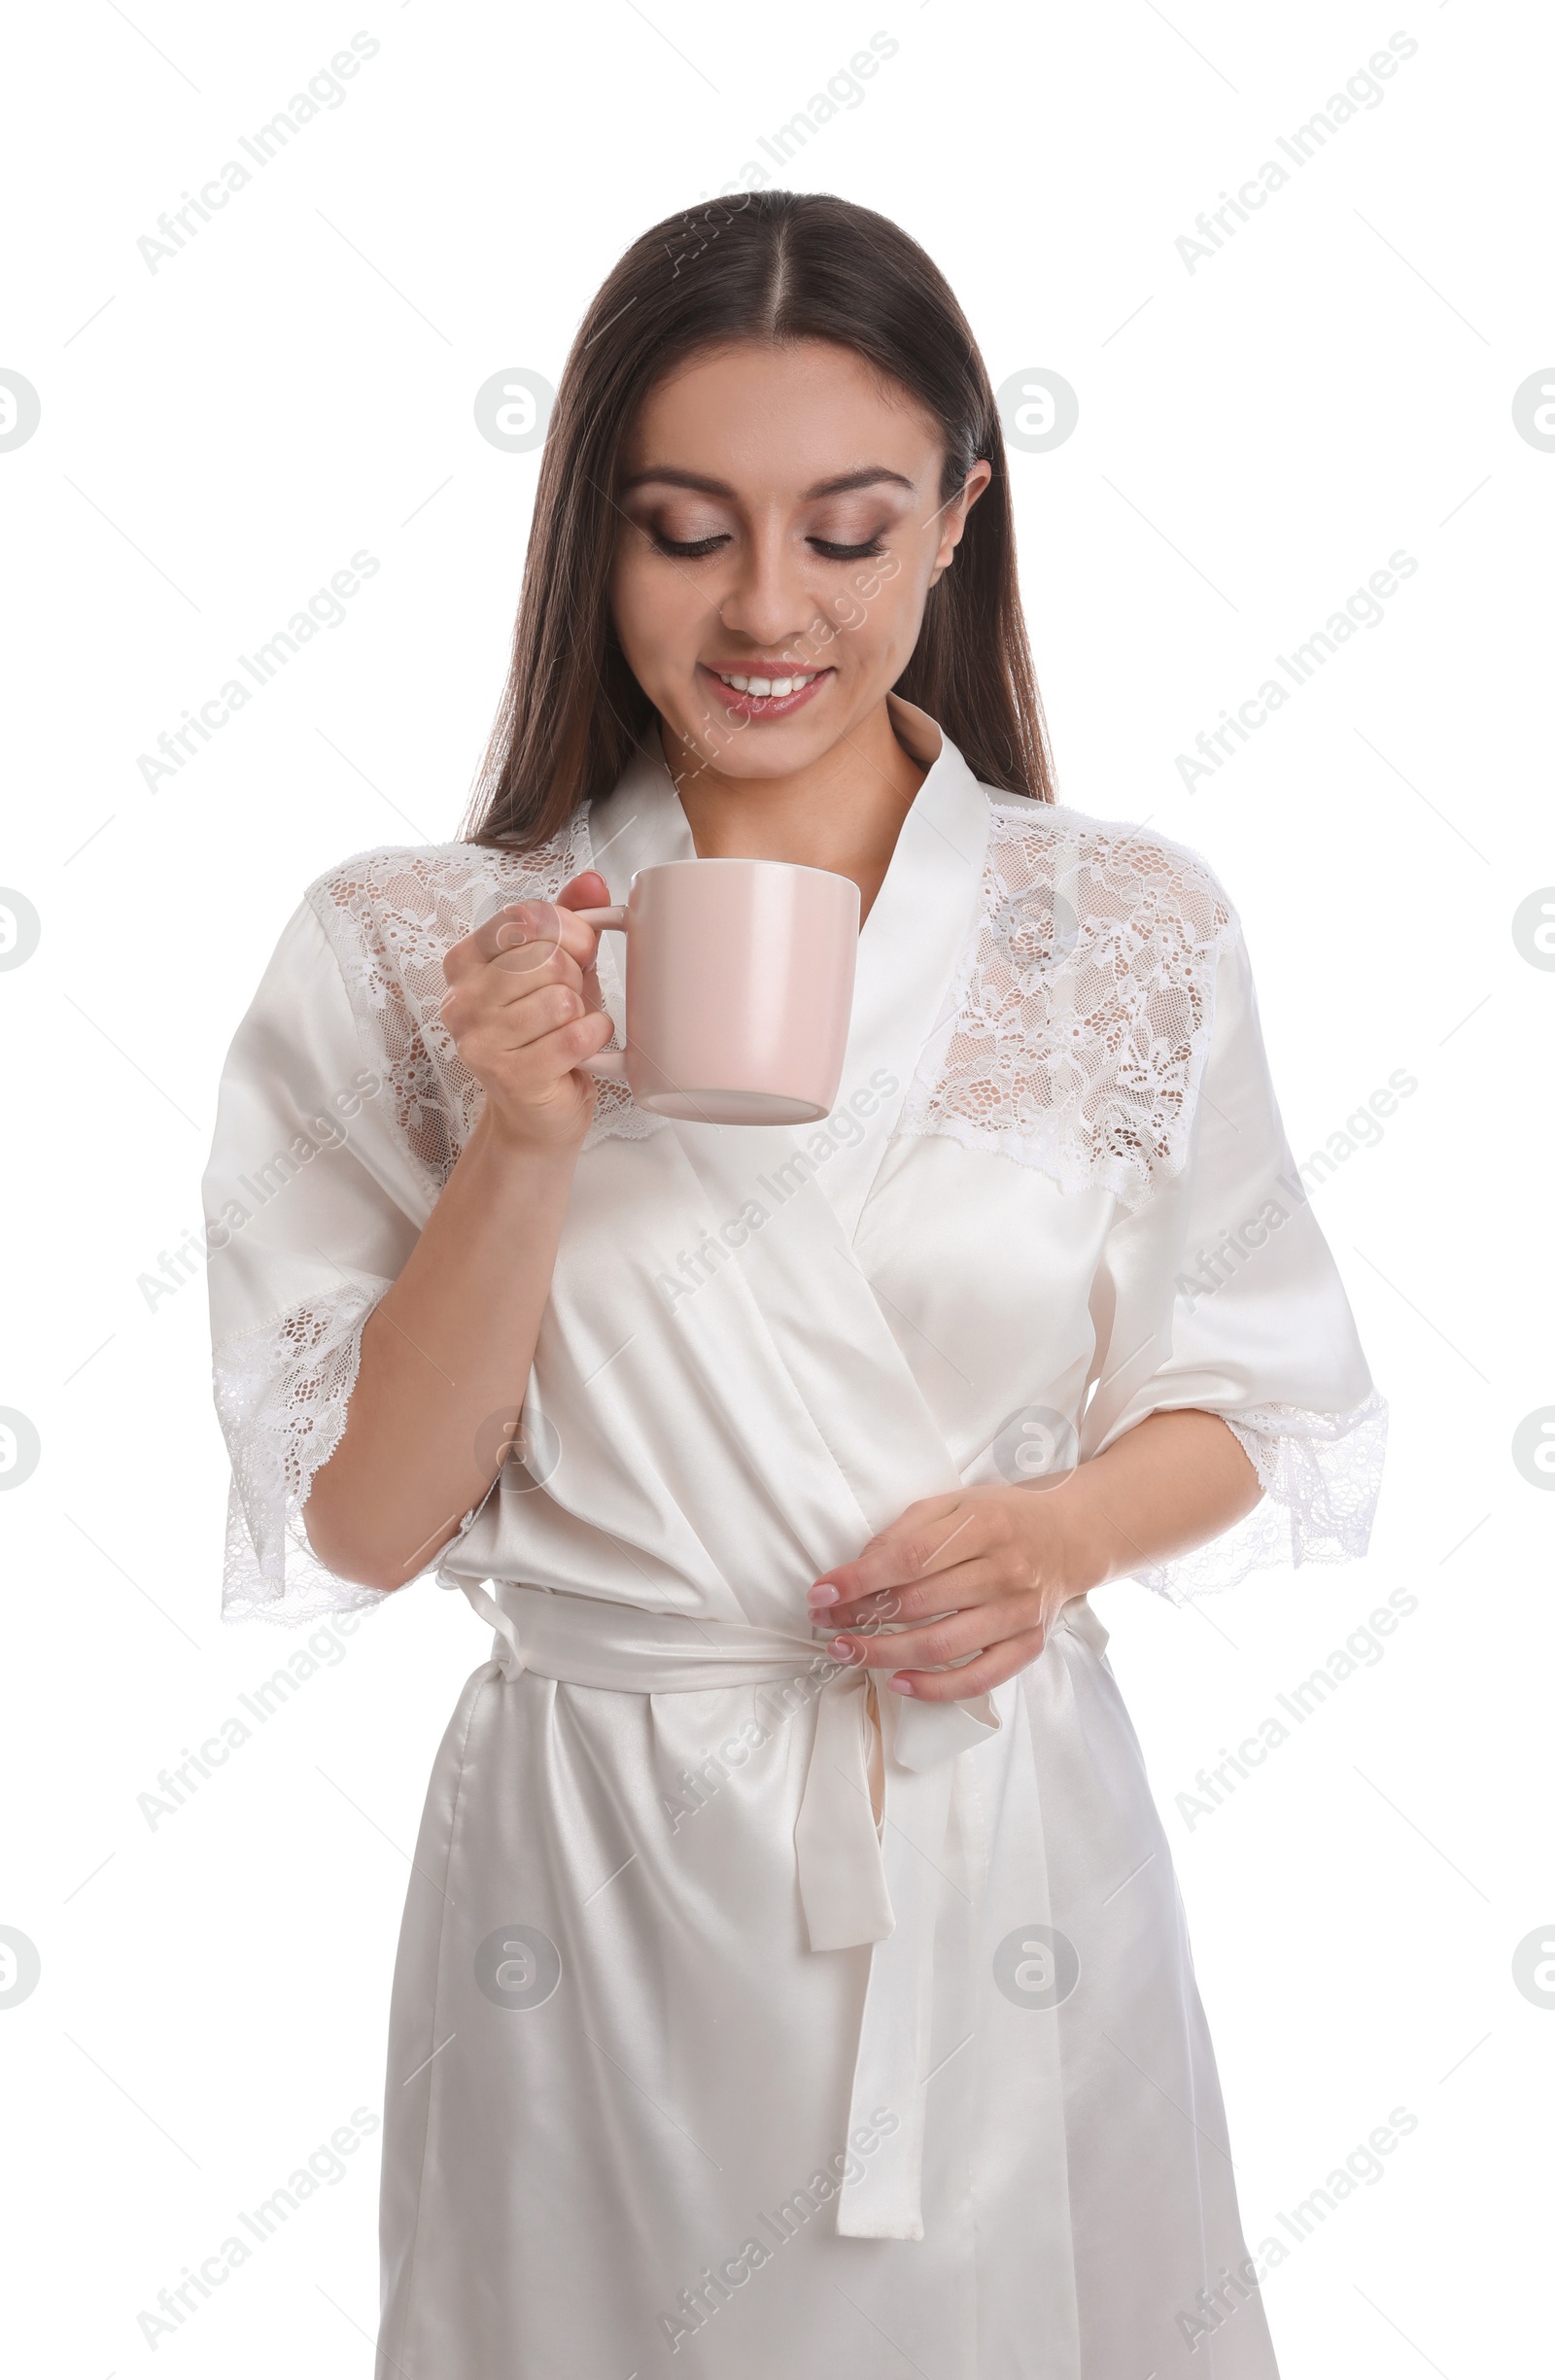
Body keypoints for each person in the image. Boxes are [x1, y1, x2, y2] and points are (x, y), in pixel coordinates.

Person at [202, 190, 1385, 2379]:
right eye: (683, 529)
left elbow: (1263, 1390)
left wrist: (1050, 1537)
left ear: (958, 519)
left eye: (846, 531)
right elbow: (360, 1523)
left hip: (989, 1841)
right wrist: (524, 1144)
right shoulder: (411, 948)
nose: (767, 608)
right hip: (591, 1873)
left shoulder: (1113, 928)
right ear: (590, 538)